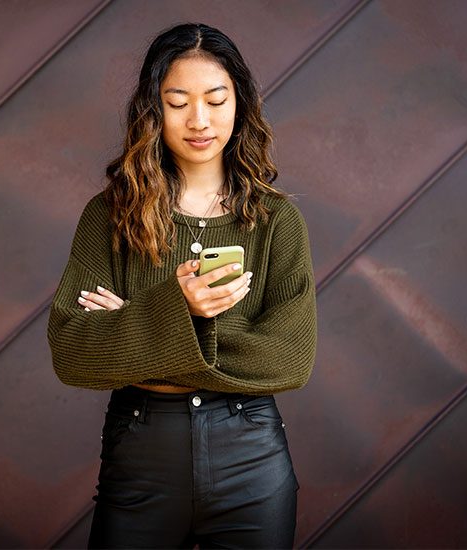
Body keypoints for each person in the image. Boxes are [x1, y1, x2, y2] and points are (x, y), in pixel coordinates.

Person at [47, 22, 317, 549]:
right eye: (177, 103)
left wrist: (137, 326)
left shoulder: (276, 221)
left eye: (216, 101)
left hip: (251, 461)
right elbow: (72, 354)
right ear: (153, 109)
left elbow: (290, 360)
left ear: (240, 105)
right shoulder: (109, 216)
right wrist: (179, 308)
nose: (199, 120)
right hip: (140, 456)